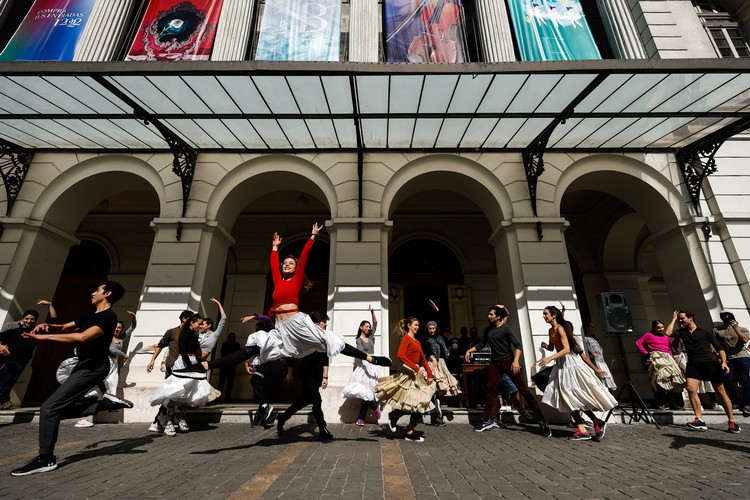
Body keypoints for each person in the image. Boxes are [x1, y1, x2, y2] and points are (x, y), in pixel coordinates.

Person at [175, 225, 390, 376]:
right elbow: (273, 264)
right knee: (255, 346)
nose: (287, 264)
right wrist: (275, 247)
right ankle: (206, 366)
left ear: (295, 268)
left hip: (298, 323)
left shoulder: (296, 280)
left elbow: (303, 258)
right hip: (281, 328)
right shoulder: (278, 281)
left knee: (329, 341)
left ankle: (371, 358)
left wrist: (313, 236)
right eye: (285, 263)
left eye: (290, 263)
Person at [10, 281, 124, 476]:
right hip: (83, 365)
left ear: (107, 294)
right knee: (53, 410)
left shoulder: (108, 318)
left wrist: (44, 338)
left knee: (48, 408)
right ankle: (99, 405)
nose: (92, 292)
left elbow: (83, 337)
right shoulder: (90, 316)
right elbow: (64, 327)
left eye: (97, 290)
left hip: (93, 368)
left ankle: (46, 459)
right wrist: (48, 327)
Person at [465, 305, 551, 437]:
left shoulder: (506, 329)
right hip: (494, 364)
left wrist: (516, 361)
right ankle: (487, 420)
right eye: (489, 314)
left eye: (491, 314)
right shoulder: (488, 330)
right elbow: (481, 344)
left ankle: (542, 421)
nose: (488, 316)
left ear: (498, 316)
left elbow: (518, 346)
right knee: (490, 391)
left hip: (508, 363)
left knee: (524, 390)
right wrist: (469, 350)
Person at [538, 306, 617, 441]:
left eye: (546, 314)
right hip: (561, 364)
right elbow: (553, 347)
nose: (544, 316)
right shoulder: (551, 330)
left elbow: (566, 349)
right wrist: (546, 347)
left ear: (553, 315)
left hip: (570, 364)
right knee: (568, 397)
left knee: (571, 395)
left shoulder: (561, 328)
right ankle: (590, 426)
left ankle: (588, 427)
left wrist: (549, 358)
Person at [664, 310, 739, 433]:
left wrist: (724, 362)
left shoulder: (705, 332)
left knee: (720, 392)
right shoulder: (682, 332)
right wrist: (673, 319)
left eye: (682, 318)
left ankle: (732, 422)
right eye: (679, 319)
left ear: (691, 318)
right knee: (690, 388)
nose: (680, 321)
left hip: (710, 363)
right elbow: (667, 333)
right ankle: (699, 420)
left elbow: (720, 348)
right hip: (693, 364)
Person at [149, 314, 212, 437]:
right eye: (199, 324)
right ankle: (168, 421)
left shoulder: (195, 335)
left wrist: (198, 363)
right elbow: (183, 351)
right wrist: (189, 366)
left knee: (186, 393)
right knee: (175, 393)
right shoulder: (183, 334)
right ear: (191, 323)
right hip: (183, 363)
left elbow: (197, 351)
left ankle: (180, 417)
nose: (200, 326)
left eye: (201, 324)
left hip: (192, 362)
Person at [376, 317, 435, 442]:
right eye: (415, 325)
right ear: (409, 325)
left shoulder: (417, 342)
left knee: (422, 403)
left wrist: (430, 374)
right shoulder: (406, 338)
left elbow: (423, 359)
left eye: (418, 325)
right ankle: (405, 426)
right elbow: (400, 355)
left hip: (417, 374)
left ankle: (405, 424)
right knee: (415, 403)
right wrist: (416, 368)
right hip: (408, 374)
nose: (417, 327)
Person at [277, 312, 333, 441]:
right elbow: (292, 353)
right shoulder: (304, 334)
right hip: (305, 372)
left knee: (305, 400)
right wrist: (289, 372)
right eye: (324, 322)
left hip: (316, 374)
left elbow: (325, 358)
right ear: (316, 323)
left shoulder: (324, 337)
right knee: (317, 400)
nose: (325, 325)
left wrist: (325, 377)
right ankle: (322, 429)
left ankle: (283, 417)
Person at [146, 309, 193, 433]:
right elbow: (160, 346)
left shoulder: (192, 334)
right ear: (184, 319)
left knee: (183, 395)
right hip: (172, 367)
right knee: (170, 395)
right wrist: (152, 361)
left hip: (185, 368)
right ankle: (159, 421)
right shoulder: (172, 332)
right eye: (191, 319)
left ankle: (179, 418)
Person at [243, 313, 288, 426]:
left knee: (270, 390)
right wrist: (247, 365)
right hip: (264, 363)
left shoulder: (272, 331)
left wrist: (253, 316)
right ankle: (264, 405)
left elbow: (267, 319)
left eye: (260, 329)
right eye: (256, 330)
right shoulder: (256, 338)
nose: (258, 332)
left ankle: (259, 414)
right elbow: (249, 351)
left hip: (277, 363)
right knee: (254, 381)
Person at [341, 306, 382, 426]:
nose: (368, 328)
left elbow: (375, 323)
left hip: (372, 366)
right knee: (364, 391)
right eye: (366, 326)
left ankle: (361, 418)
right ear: (361, 327)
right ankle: (374, 407)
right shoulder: (358, 340)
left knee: (369, 392)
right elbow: (360, 353)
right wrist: (366, 358)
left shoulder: (371, 337)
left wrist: (373, 312)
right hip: (363, 366)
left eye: (369, 327)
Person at [635, 320, 686, 410]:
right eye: (658, 328)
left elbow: (668, 348)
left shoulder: (666, 337)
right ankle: (662, 402)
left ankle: (672, 403)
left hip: (668, 359)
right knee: (659, 380)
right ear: (654, 328)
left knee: (671, 380)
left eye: (662, 327)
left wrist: (671, 357)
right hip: (657, 358)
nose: (661, 329)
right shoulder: (648, 335)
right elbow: (638, 343)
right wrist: (646, 354)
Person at [0, 311, 40, 410]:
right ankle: (4, 401)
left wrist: (50, 306)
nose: (29, 321)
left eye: (32, 319)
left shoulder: (37, 332)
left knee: (9, 382)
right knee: (3, 382)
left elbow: (53, 322)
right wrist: (0, 346)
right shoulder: (14, 329)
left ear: (36, 321)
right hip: (6, 360)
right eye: (27, 318)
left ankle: (4, 401)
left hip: (20, 362)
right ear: (22, 318)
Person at [713, 311, 750, 416]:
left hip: (741, 355)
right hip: (728, 357)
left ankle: (747, 403)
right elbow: (716, 344)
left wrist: (736, 328)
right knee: (727, 378)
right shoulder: (717, 330)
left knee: (744, 379)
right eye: (723, 316)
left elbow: (745, 340)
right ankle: (735, 401)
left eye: (728, 316)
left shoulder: (743, 329)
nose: (726, 318)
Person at [425, 320, 460, 425]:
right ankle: (436, 416)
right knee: (434, 388)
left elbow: (446, 351)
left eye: (433, 328)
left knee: (440, 389)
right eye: (430, 328)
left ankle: (437, 416)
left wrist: (449, 350)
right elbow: (426, 353)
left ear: (436, 329)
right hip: (432, 363)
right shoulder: (427, 339)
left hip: (441, 363)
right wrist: (433, 359)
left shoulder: (440, 338)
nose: (431, 330)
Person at [582, 322, 617, 390]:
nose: (593, 329)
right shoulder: (585, 339)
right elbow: (584, 352)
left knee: (606, 378)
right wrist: (590, 356)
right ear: (587, 328)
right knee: (600, 380)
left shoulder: (595, 339)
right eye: (591, 327)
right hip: (595, 362)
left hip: (601, 361)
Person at [218, 332, 241, 402]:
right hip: (224, 364)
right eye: (231, 337)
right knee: (222, 381)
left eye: (233, 337)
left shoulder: (236, 345)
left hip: (231, 364)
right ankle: (219, 396)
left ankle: (227, 397)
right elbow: (223, 353)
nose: (232, 338)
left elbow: (238, 354)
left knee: (230, 382)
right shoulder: (225, 344)